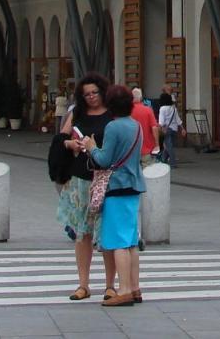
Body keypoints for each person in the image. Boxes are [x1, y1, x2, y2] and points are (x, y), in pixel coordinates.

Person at [83, 85, 146, 307]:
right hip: (134, 184)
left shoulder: (113, 127)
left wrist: (91, 146)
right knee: (130, 242)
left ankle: (125, 290)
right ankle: (136, 287)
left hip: (116, 186)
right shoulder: (136, 125)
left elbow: (104, 159)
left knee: (118, 241)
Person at [58, 72, 116, 300]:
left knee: (107, 232)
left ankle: (110, 285)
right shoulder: (77, 113)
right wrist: (69, 142)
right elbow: (60, 138)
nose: (92, 97)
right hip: (80, 177)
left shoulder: (112, 114)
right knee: (82, 233)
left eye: (95, 93)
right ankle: (83, 284)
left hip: (105, 177)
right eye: (87, 94)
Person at [131, 87, 160, 166]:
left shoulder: (127, 111)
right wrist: (157, 145)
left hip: (130, 151)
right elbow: (154, 128)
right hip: (147, 149)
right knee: (148, 174)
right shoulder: (148, 110)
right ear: (141, 97)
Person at [156, 93, 183, 166]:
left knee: (169, 147)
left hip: (166, 130)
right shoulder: (174, 108)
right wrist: (183, 129)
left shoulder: (162, 109)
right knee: (170, 146)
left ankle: (173, 163)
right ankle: (163, 160)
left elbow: (161, 121)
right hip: (174, 129)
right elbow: (178, 120)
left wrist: (159, 128)